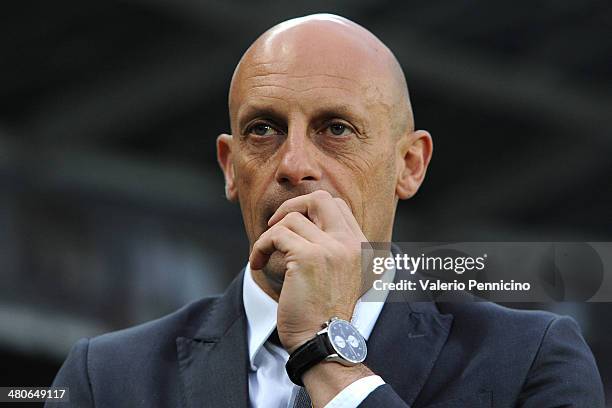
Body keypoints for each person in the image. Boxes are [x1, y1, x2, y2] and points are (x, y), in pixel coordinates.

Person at [47, 14, 605, 408]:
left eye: (335, 129)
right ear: (229, 166)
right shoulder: (106, 378)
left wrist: (325, 351)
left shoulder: (528, 359)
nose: (293, 163)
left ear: (409, 165)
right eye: (262, 129)